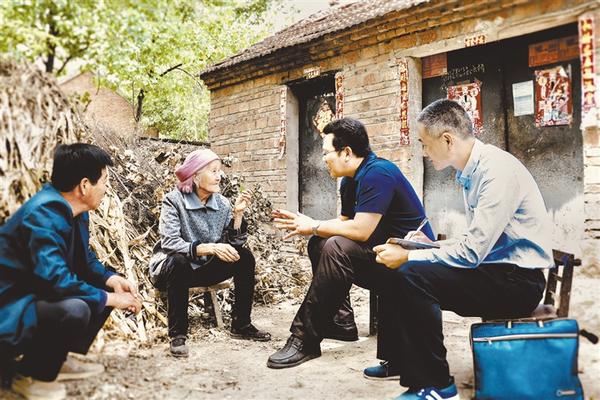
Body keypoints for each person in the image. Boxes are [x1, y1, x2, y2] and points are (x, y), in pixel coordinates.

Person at [372, 99, 552, 400]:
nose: (424, 153)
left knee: (411, 274)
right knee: (396, 271)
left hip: (519, 283)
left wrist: (411, 255)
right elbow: (477, 241)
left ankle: (437, 385)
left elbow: (472, 253)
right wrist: (427, 246)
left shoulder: (496, 172)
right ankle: (399, 361)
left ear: (447, 140)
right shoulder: (474, 172)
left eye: (425, 144)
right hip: (497, 271)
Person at [267, 117, 433, 369]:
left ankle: (305, 339)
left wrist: (314, 225)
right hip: (382, 254)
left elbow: (361, 230)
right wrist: (308, 225)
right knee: (320, 243)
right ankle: (341, 322)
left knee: (334, 246)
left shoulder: (378, 173)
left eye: (326, 152)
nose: (324, 159)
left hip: (410, 262)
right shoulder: (349, 180)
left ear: (346, 152)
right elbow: (345, 223)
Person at [0, 143, 142, 400]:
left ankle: (54, 358)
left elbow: (83, 260)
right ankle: (29, 375)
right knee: (75, 309)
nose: (106, 188)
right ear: (85, 185)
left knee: (105, 288)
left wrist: (111, 280)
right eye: (105, 181)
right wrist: (111, 299)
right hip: (8, 305)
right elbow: (55, 280)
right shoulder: (45, 212)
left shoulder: (74, 210)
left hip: (30, 296)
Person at [149, 149, 271, 358]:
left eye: (219, 171)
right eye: (213, 171)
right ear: (195, 176)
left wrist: (238, 214)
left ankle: (241, 325)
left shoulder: (222, 203)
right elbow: (170, 243)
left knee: (244, 257)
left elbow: (234, 243)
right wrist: (211, 248)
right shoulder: (174, 200)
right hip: (172, 271)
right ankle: (178, 335)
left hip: (204, 268)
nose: (219, 176)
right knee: (178, 261)